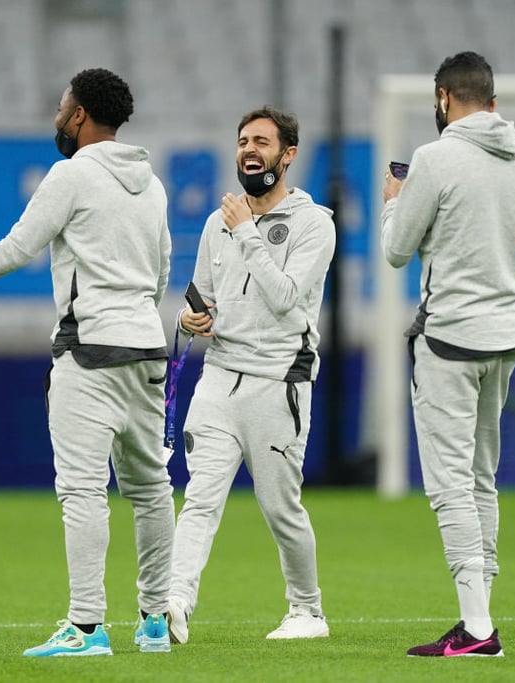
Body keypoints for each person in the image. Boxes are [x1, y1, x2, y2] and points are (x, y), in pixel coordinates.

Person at [0, 68, 176, 657]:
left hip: (90, 349)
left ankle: (88, 628)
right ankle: (153, 623)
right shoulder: (153, 184)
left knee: (83, 491)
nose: (56, 115)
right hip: (147, 348)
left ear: (78, 115)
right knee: (151, 489)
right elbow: (162, 270)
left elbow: (18, 248)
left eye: (62, 105)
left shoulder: (70, 174)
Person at [380, 51, 515, 658]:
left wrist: (396, 199)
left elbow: (397, 250)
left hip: (450, 337)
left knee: (449, 485)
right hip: (506, 333)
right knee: (481, 480)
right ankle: (479, 615)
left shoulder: (434, 157)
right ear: (493, 104)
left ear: (444, 98)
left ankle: (477, 629)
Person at [166, 106, 335, 643]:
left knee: (280, 507)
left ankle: (307, 610)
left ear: (287, 155)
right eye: (242, 140)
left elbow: (287, 301)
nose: (248, 150)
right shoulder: (221, 222)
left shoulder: (316, 224)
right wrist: (191, 318)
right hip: (219, 376)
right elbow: (202, 298)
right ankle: (173, 604)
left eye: (261, 141)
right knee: (199, 498)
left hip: (278, 381)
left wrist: (248, 235)